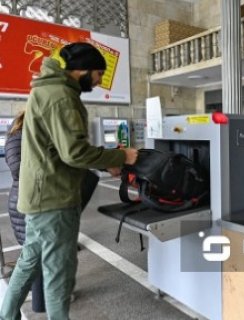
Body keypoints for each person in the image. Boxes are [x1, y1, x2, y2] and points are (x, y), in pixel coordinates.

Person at [0, 42, 138, 320]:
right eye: (98, 74)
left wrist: (106, 161)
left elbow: (61, 149)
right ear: (83, 70)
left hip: (38, 197)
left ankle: (7, 315)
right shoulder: (62, 96)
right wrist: (121, 155)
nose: (99, 81)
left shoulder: (46, 89)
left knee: (29, 262)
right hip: (54, 199)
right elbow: (74, 152)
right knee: (58, 272)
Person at [4, 111, 46, 313]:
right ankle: (8, 313)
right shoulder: (22, 136)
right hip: (28, 204)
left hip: (28, 200)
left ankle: (42, 301)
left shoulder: (18, 133)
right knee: (30, 261)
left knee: (34, 257)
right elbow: (21, 170)